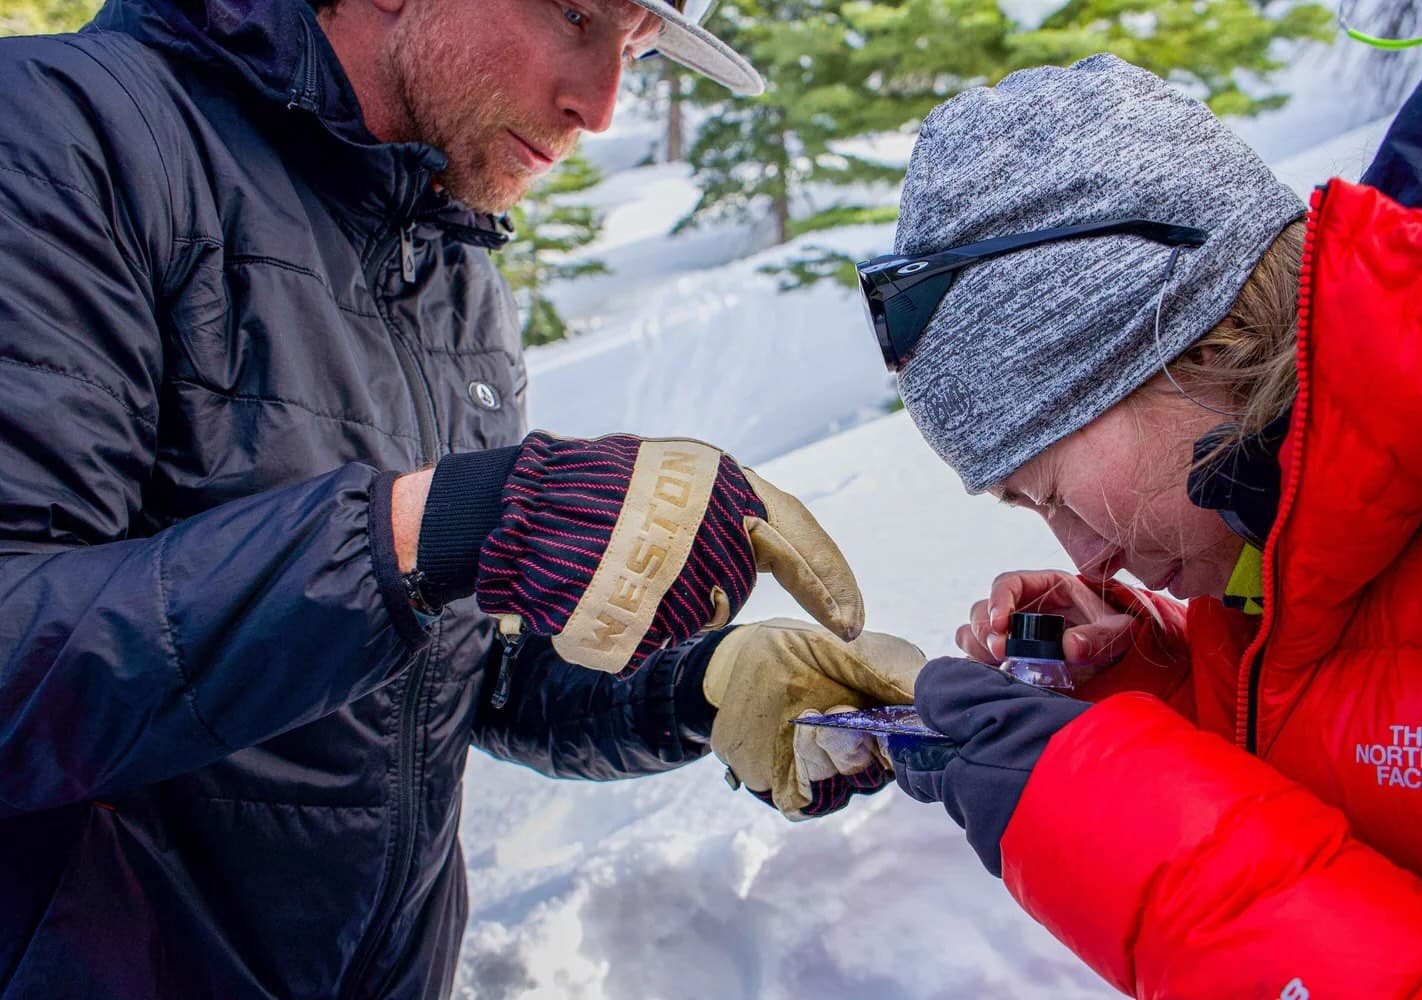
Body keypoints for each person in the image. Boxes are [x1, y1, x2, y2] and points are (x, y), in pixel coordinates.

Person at [0, 0, 926, 995]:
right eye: (576, 15)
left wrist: (708, 680)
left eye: (637, 49)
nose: (602, 106)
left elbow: (467, 667)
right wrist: (440, 523)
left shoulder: (451, 269)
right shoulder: (64, 135)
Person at [872, 54, 1422, 995]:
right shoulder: (1287, 559)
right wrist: (1156, 694)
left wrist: (1109, 815)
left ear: (1188, 345)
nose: (1086, 557)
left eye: (1055, 488)